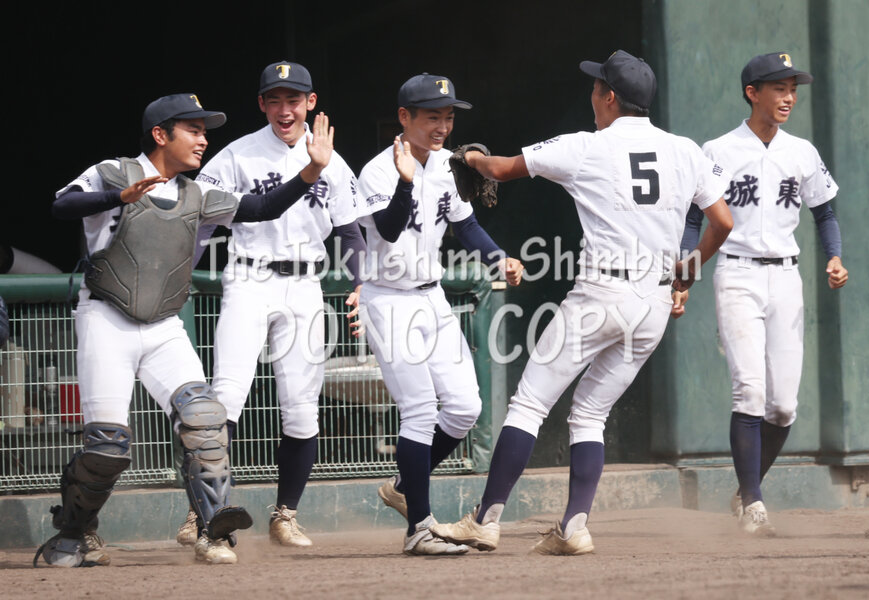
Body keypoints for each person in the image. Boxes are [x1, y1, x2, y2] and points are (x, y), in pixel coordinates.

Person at [429, 50, 733, 555]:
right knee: (591, 414)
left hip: (601, 295)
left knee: (529, 404)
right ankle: (573, 526)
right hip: (654, 302)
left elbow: (501, 169)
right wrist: (689, 269)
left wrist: (470, 159)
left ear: (610, 96)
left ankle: (485, 520)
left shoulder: (588, 145)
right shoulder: (685, 150)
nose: (592, 95)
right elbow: (722, 222)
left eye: (596, 88)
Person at [41, 93, 336, 566]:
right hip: (106, 320)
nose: (203, 140)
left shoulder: (196, 194)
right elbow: (62, 205)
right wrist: (118, 197)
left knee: (206, 423)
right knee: (108, 448)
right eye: (193, 130)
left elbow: (262, 207)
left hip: (164, 327)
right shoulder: (115, 172)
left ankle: (210, 531)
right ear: (161, 134)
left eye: (204, 131)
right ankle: (76, 532)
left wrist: (310, 171)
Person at [174, 60, 365, 550]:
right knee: (226, 398)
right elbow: (201, 224)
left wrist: (361, 282)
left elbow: (349, 231)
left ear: (311, 102)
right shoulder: (236, 155)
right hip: (250, 278)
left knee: (301, 410)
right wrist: (177, 275)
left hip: (305, 285)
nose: (285, 110)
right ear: (261, 104)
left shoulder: (332, 159)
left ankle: (286, 515)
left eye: (294, 100)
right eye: (275, 100)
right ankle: (203, 512)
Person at [680, 52, 848, 536]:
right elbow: (694, 217)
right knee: (749, 390)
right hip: (737, 273)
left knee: (783, 406)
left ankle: (743, 490)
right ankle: (753, 503)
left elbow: (825, 213)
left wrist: (834, 257)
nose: (789, 97)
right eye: (779, 88)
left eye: (793, 89)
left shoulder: (802, 151)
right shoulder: (718, 149)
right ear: (752, 93)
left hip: (787, 278)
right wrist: (684, 275)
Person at [356, 73, 524, 555]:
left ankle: (405, 487)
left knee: (465, 408)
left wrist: (500, 258)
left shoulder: (449, 167)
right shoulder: (378, 170)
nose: (443, 126)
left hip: (431, 297)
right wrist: (406, 181)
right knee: (419, 409)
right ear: (404, 117)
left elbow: (466, 227)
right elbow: (388, 229)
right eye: (433, 116)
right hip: (388, 299)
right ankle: (419, 528)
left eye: (449, 117)